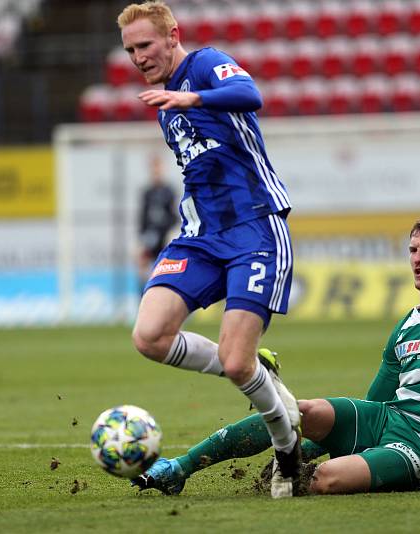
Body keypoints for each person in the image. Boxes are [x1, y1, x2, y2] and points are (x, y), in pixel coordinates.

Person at [133, 219, 420, 496]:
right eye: (413, 250)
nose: (418, 259)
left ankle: (302, 473)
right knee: (298, 411)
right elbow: (376, 399)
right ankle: (179, 469)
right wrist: (309, 439)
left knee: (323, 479)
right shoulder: (407, 323)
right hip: (390, 420)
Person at [117, 2, 301, 498]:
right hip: (200, 236)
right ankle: (259, 369)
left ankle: (287, 451)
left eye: (145, 45)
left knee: (238, 364)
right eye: (130, 49)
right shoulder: (163, 104)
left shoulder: (204, 65)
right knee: (149, 336)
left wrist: (192, 99)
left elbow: (249, 94)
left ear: (172, 35)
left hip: (253, 230)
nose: (137, 57)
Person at [137, 153, 178, 286]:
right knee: (143, 272)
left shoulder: (169, 191)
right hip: (150, 239)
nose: (156, 171)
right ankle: (143, 300)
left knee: (167, 273)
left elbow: (175, 216)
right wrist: (140, 242)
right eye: (154, 168)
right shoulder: (147, 192)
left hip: (165, 238)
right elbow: (142, 218)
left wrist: (171, 234)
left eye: (158, 167)